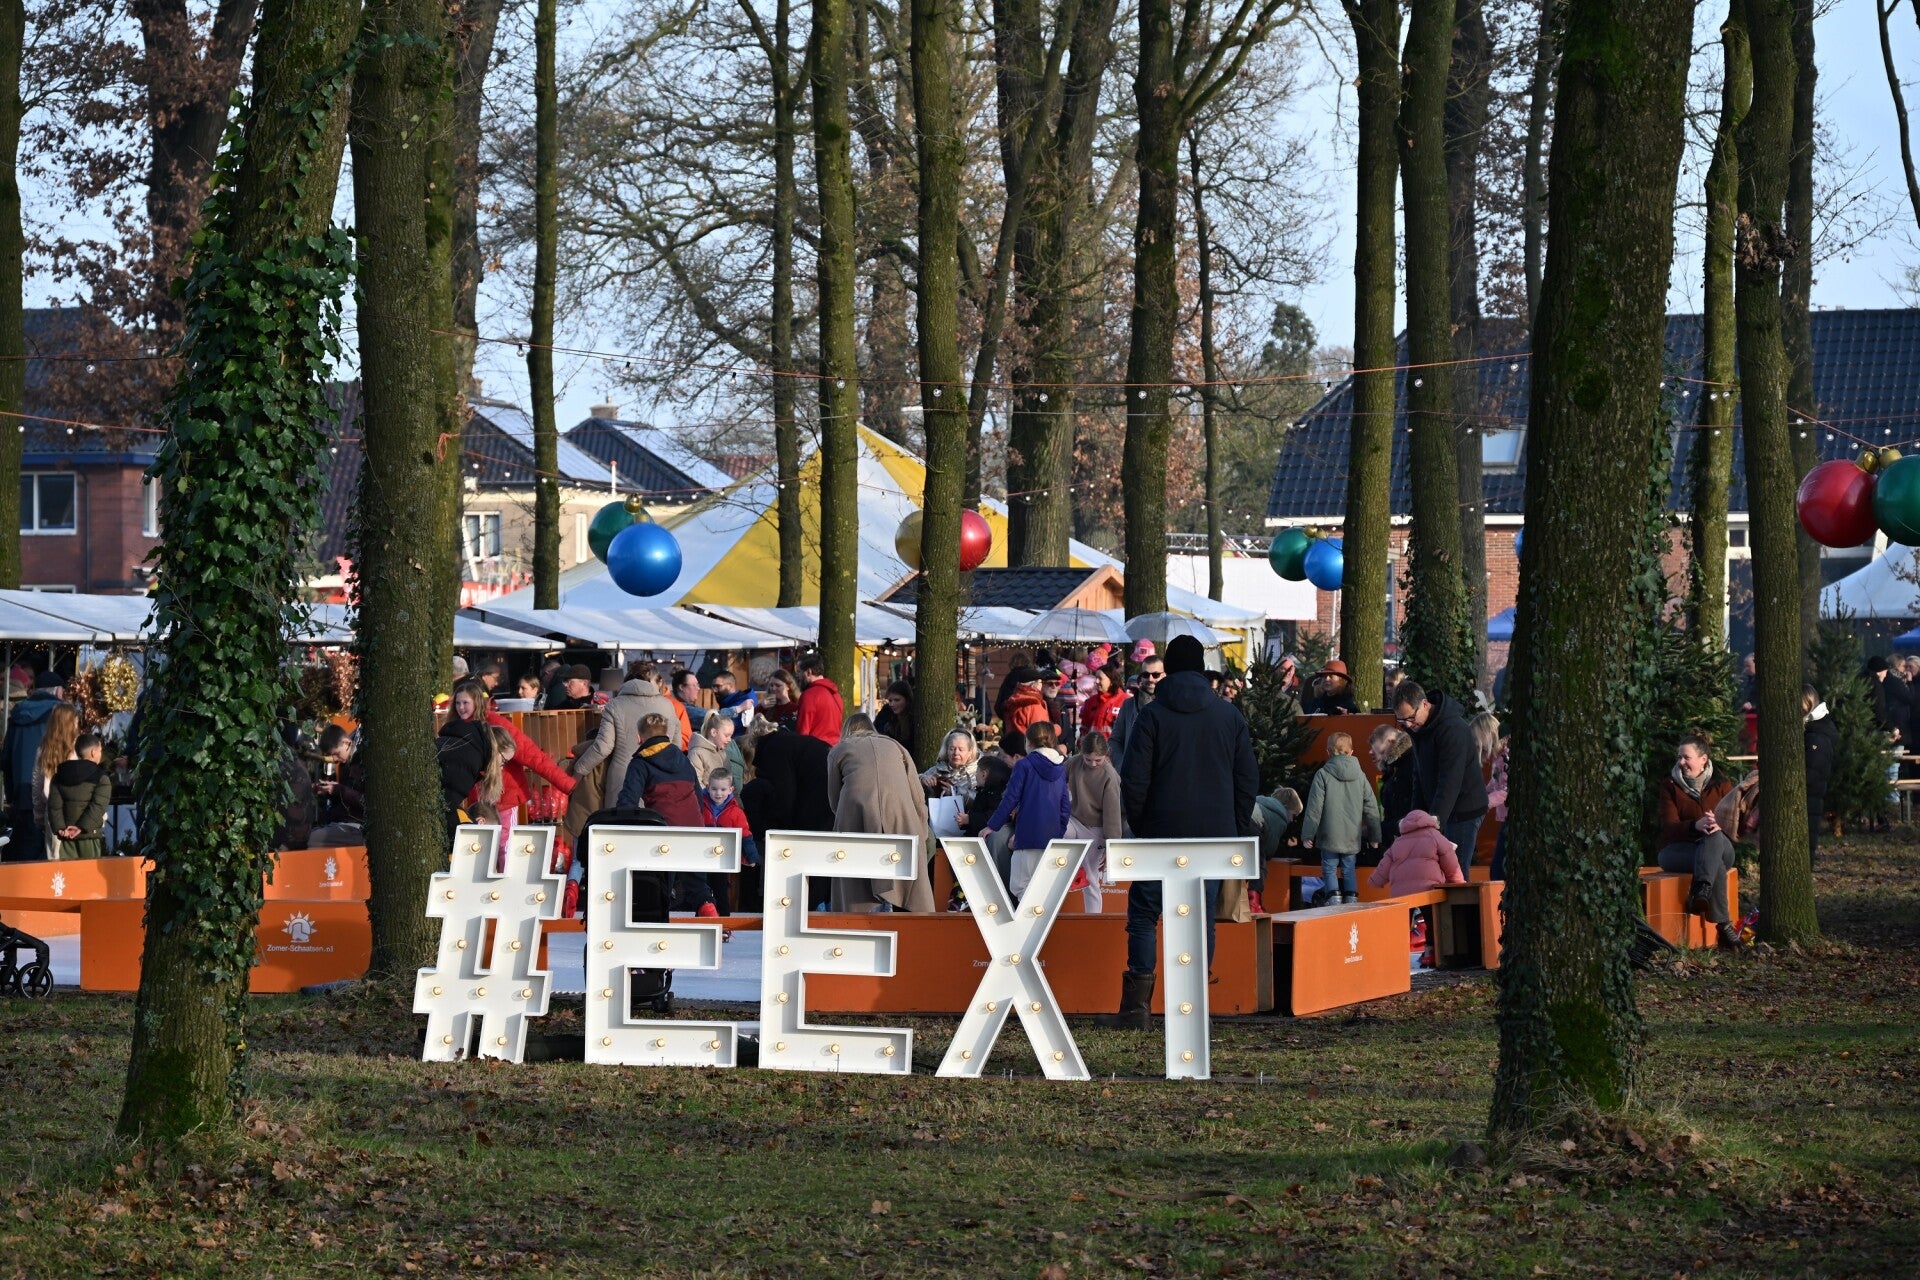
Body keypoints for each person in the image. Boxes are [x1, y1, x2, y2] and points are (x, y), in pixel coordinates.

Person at [1103, 634, 1259, 1030]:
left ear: (1168, 669)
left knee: (1144, 913)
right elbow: (1247, 779)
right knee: (1200, 916)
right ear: (1202, 670)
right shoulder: (1229, 716)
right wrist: (1234, 828)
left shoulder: (1151, 716)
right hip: (1214, 834)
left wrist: (1143, 826)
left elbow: (1134, 780)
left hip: (1161, 830)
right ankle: (1193, 1004)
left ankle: (1136, 1009)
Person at [824, 713, 936, 911]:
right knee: (909, 876)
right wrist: (921, 827)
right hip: (901, 813)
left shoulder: (839, 749)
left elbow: (834, 798)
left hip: (857, 813)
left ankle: (857, 918)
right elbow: (916, 792)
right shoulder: (895, 746)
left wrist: (842, 817)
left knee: (856, 877)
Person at [1391, 681, 1490, 870]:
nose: (1408, 725)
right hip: (1442, 810)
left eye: (1410, 718)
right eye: (1402, 722)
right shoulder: (1418, 728)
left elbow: (1450, 780)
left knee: (1454, 871)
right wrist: (1416, 817)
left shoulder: (1452, 729)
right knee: (1439, 870)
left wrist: (1433, 822)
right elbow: (1419, 776)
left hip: (1463, 809)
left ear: (1425, 704)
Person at [1654, 735, 1740, 949]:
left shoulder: (1722, 785)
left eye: (1686, 757)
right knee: (1714, 863)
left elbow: (1738, 820)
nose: (1681, 762)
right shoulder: (1669, 786)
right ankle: (1724, 926)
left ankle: (1701, 889)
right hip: (1678, 850)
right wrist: (1695, 825)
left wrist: (1721, 824)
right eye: (1679, 757)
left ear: (1703, 759)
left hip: (1720, 845)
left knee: (1714, 836)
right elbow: (1669, 826)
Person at [979, 721, 1072, 899]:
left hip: (1027, 835)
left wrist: (992, 825)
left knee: (1019, 886)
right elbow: (1064, 806)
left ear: (1028, 742)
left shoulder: (1024, 765)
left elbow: (1010, 799)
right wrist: (1058, 833)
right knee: (1042, 887)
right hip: (1051, 835)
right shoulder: (1059, 769)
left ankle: (1029, 918)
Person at [1300, 731, 1381, 905]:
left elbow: (1314, 808)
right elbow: (1371, 807)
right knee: (1349, 868)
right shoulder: (1360, 776)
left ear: (1328, 752)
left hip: (1329, 833)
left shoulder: (1323, 774)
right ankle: (1351, 900)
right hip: (1352, 835)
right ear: (1351, 752)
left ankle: (1333, 900)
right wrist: (1375, 836)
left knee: (1329, 868)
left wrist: (1308, 834)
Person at [572, 659, 676, 795]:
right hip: (661, 779)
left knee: (623, 809)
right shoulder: (668, 705)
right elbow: (676, 745)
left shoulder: (614, 705)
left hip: (624, 780)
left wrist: (578, 771)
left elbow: (603, 747)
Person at [2, 671, 65, 862]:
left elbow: (6, 759)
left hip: (22, 797)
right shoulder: (61, 714)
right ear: (57, 691)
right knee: (50, 858)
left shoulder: (17, 714)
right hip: (51, 796)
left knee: (23, 856)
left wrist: (12, 796)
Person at [1065, 730, 1122, 912]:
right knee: (1060, 831)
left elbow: (1112, 814)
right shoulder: (1073, 763)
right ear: (1082, 753)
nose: (1093, 764)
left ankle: (1094, 916)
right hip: (1074, 819)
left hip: (1096, 827)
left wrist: (1111, 846)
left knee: (1091, 878)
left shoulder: (1109, 775)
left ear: (1106, 755)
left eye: (1098, 760)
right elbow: (1055, 779)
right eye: (1088, 759)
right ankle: (1072, 867)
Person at [700, 767, 757, 920]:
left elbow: (745, 834)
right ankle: (701, 920)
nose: (718, 793)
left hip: (722, 859)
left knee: (721, 889)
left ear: (731, 789)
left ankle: (724, 922)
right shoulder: (700, 806)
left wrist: (751, 856)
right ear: (708, 787)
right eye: (714, 789)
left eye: (723, 789)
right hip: (702, 857)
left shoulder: (735, 812)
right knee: (701, 890)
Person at [437, 684, 494, 837]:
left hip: (484, 792)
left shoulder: (488, 727)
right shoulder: (452, 727)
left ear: (477, 703)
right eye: (457, 703)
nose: (461, 708)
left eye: (465, 703)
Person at [1368, 810, 1466, 897]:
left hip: (1400, 896)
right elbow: (1451, 862)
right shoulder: (1435, 836)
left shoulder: (1397, 843)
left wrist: (1375, 881)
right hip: (1428, 894)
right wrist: (1459, 882)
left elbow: (1382, 870)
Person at [48, 731, 113, 860]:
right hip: (89, 836)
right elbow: (98, 807)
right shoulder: (101, 778)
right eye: (100, 750)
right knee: (89, 871)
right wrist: (80, 828)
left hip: (66, 836)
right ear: (93, 752)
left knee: (68, 871)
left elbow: (54, 806)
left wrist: (60, 828)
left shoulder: (59, 776)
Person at [31, 704, 80, 860]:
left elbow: (37, 786)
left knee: (55, 865)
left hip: (52, 814)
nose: (78, 726)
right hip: (78, 813)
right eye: (76, 722)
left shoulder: (44, 751)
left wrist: (39, 816)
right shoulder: (79, 750)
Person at [309, 724, 367, 848]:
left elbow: (367, 803)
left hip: (359, 826)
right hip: (345, 821)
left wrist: (340, 790)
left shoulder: (363, 761)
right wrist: (329, 791)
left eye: (336, 754)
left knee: (311, 840)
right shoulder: (345, 764)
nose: (335, 759)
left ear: (346, 742)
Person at [1108, 652, 1165, 773]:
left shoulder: (1170, 705)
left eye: (1155, 675)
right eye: (1146, 675)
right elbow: (1115, 740)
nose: (1150, 679)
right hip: (1133, 775)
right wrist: (1121, 765)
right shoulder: (1128, 705)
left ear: (1164, 675)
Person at [1369, 724, 1418, 860]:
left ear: (1391, 742)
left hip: (1406, 837)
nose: (1381, 757)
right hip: (1400, 835)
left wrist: (1384, 829)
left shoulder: (1408, 764)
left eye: (1382, 752)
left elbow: (1403, 806)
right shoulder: (1397, 766)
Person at [1803, 685, 1836, 865]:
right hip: (1810, 798)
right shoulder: (1816, 731)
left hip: (1809, 798)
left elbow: (1811, 773)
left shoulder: (1816, 736)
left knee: (1806, 844)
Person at [794, 654, 845, 745]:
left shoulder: (809, 695)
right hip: (835, 748)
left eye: (799, 672)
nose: (797, 676)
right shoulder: (836, 694)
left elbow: (802, 732)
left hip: (815, 748)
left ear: (809, 672)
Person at [998, 667, 1051, 739]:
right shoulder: (1033, 704)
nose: (1042, 685)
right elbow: (1041, 733)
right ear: (1034, 685)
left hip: (1013, 743)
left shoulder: (1012, 701)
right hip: (1030, 744)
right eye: (1041, 682)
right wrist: (1057, 729)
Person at [1867, 657, 1908, 746]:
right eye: (1885, 672)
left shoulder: (1862, 680)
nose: (1885, 675)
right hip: (1871, 730)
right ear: (1880, 671)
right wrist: (1892, 728)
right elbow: (1878, 710)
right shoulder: (1876, 687)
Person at [690, 712, 734, 789]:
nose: (729, 739)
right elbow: (695, 782)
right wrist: (709, 795)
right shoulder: (697, 753)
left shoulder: (724, 753)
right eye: (726, 735)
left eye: (731, 736)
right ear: (714, 732)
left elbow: (730, 780)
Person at [1080, 666, 1128, 736]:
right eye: (1096, 678)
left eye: (1100, 678)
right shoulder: (1090, 702)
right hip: (1093, 743)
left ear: (1111, 681)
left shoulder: (1126, 701)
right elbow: (1084, 728)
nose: (1096, 681)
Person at [874, 680, 915, 753]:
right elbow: (875, 731)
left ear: (907, 700)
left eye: (897, 700)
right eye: (890, 700)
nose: (892, 704)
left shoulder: (914, 718)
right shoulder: (886, 712)